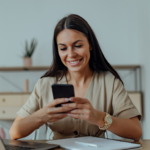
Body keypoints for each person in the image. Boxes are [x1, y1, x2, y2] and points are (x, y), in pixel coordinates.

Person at [9, 14, 142, 140]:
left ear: (90, 44)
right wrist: (43, 115)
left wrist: (100, 118)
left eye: (77, 46)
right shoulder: (44, 84)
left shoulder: (110, 82)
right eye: (63, 48)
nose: (71, 54)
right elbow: (14, 132)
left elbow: (136, 131)